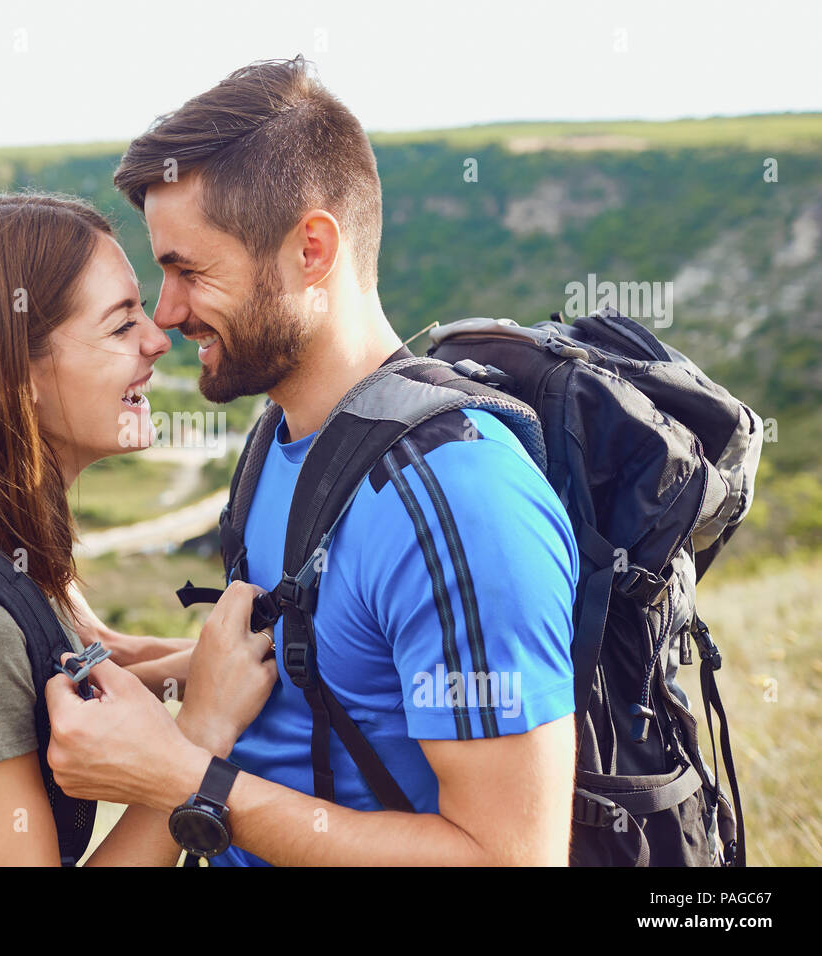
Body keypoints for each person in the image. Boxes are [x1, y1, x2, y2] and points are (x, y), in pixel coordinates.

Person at [45, 57, 579, 865]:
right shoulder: (283, 438)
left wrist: (185, 777)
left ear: (312, 251)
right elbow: (317, 666)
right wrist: (131, 659)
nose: (168, 314)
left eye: (189, 270)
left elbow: (508, 857)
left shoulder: (463, 499)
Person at [0, 191, 278, 865]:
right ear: (17, 374)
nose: (159, 339)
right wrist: (202, 733)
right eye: (119, 325)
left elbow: (101, 655)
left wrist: (247, 665)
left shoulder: (0, 550)